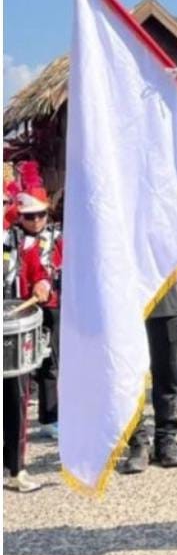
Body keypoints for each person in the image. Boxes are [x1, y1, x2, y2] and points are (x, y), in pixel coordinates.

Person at [3, 206, 50, 493]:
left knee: (15, 402)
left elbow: (38, 273)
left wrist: (42, 283)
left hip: (10, 333)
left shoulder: (17, 245)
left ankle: (16, 469)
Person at [122, 285, 177, 473]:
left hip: (162, 296)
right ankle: (138, 441)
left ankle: (166, 438)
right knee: (127, 378)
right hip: (124, 302)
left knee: (167, 374)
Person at [16, 185, 62, 440]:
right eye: (29, 216)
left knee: (49, 362)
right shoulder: (10, 239)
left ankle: (49, 417)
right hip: (17, 309)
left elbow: (60, 264)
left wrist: (46, 280)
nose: (35, 221)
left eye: (40, 215)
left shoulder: (58, 236)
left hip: (49, 306)